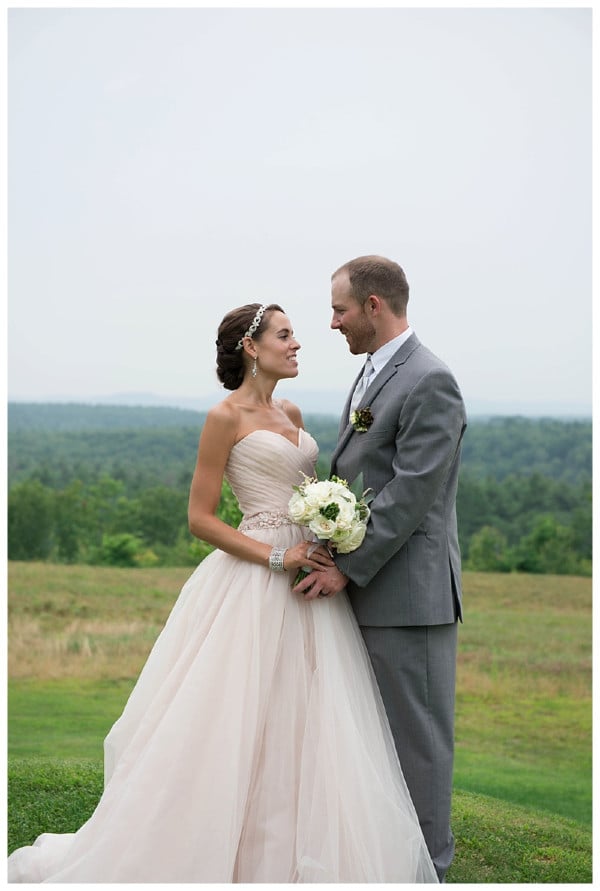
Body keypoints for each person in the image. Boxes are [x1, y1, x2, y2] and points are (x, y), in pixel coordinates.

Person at [8, 302, 438, 883]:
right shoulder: (224, 417)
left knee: (308, 717)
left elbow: (306, 487)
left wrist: (331, 525)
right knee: (232, 714)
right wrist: (276, 554)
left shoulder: (290, 409)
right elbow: (201, 519)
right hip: (257, 576)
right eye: (285, 336)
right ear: (251, 347)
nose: (297, 345)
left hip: (311, 577)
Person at [294, 256, 467, 881]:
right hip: (370, 591)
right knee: (372, 743)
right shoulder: (373, 372)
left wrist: (349, 566)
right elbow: (363, 472)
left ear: (373, 305)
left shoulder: (429, 380)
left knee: (415, 745)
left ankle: (428, 870)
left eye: (339, 309)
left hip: (409, 597)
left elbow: (414, 490)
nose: (332, 321)